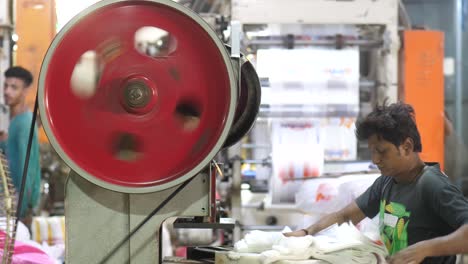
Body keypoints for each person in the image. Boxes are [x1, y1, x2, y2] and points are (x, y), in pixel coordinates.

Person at [285, 102, 468, 264]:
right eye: (372, 152)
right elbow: (344, 217)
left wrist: (424, 249)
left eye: (381, 151)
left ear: (407, 147)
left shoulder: (432, 185)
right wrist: (307, 233)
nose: (375, 159)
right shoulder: (386, 182)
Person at [1, 66, 41, 222]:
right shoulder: (16, 121)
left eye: (14, 87)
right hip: (12, 202)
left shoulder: (24, 123)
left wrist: (22, 212)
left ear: (24, 91)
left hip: (17, 207)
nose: (7, 91)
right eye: (6, 86)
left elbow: (27, 170)